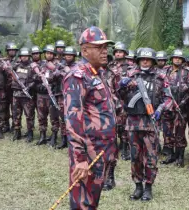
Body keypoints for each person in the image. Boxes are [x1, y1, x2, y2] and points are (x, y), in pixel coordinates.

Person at [63, 26, 117, 209]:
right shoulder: (77, 76)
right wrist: (79, 158)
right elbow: (72, 120)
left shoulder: (99, 73)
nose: (105, 52)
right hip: (88, 153)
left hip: (102, 151)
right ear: (85, 50)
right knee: (83, 203)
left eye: (106, 47)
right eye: (99, 47)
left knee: (92, 201)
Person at [118, 47, 172, 201]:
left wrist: (160, 110)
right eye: (142, 59)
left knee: (151, 157)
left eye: (148, 59)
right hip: (133, 122)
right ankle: (138, 186)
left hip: (150, 123)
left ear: (153, 61)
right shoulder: (130, 75)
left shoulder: (160, 78)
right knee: (135, 156)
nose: (145, 61)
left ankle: (148, 187)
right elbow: (120, 96)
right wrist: (121, 85)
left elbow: (168, 98)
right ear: (138, 60)